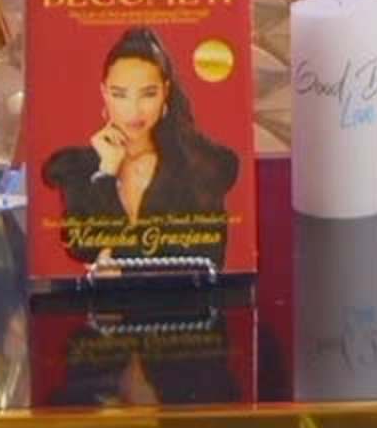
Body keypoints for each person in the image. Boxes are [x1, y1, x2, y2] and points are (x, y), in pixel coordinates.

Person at [39, 27, 245, 263]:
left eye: (148, 94)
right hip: (99, 299)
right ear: (104, 93)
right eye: (120, 94)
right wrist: (106, 172)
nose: (134, 110)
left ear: (165, 92)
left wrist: (115, 256)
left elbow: (209, 254)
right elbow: (82, 247)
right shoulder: (77, 168)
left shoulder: (201, 164)